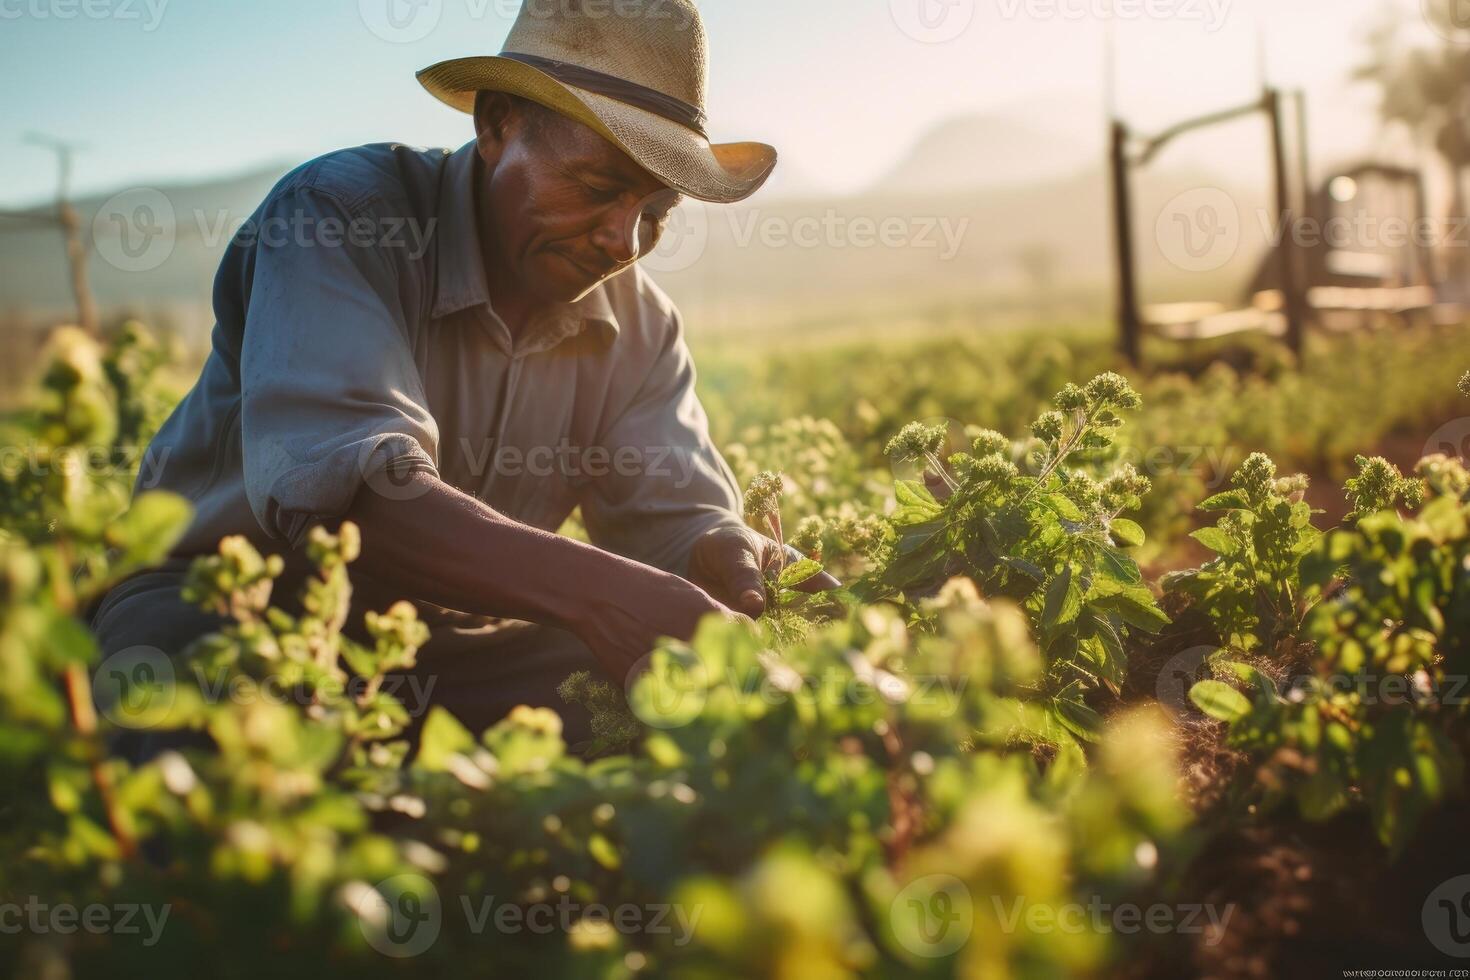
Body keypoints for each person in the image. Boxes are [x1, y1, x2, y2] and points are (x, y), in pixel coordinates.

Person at [90, 0, 834, 747]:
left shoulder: (642, 326)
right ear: (497, 124)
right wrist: (601, 594)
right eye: (598, 186)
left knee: (683, 711)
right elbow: (352, 495)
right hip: (233, 606)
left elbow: (672, 520)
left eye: (656, 211)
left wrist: (720, 549)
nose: (623, 239)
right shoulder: (340, 216)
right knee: (191, 720)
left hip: (456, 651)